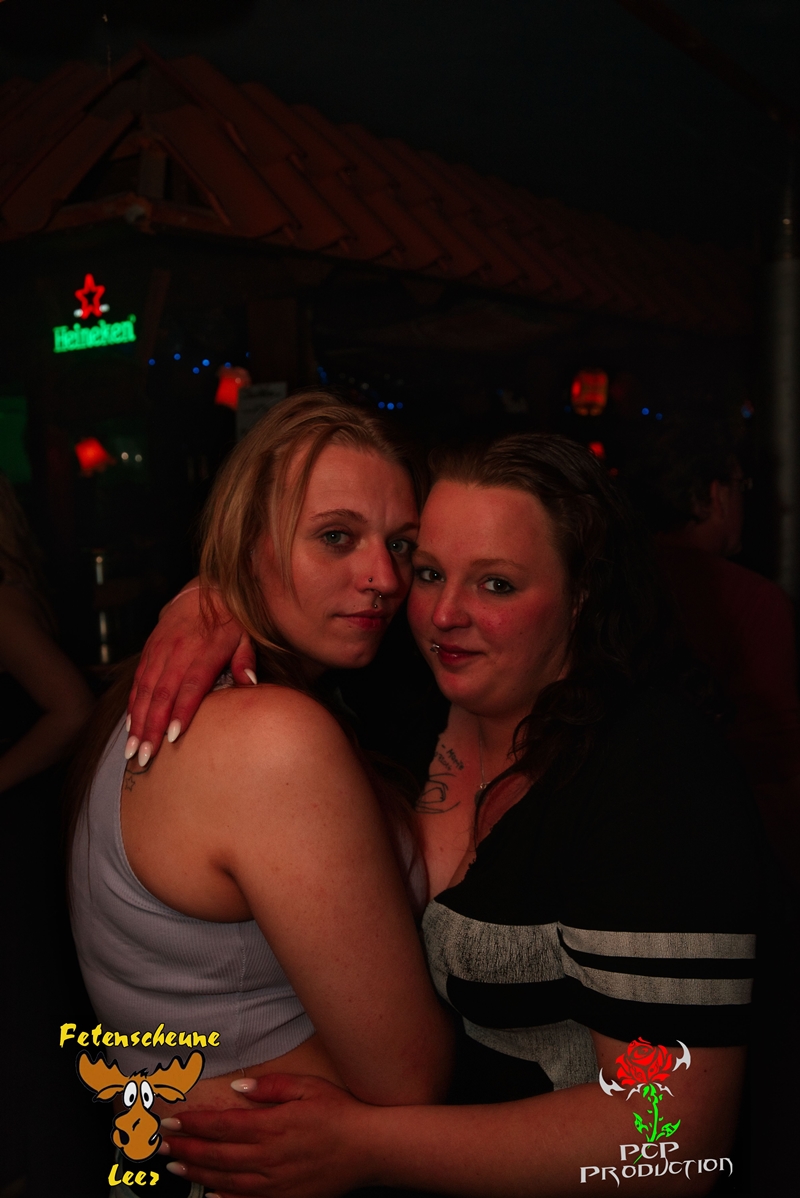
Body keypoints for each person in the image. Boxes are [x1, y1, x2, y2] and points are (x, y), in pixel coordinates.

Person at [128, 432, 759, 1197]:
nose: (444, 614)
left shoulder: (652, 768)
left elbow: (675, 1137)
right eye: (428, 573)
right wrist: (210, 599)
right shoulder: (397, 697)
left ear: (583, 592)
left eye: (497, 584)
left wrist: (365, 1145)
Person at [66, 395, 452, 1196]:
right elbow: (410, 1080)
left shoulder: (205, 697)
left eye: (400, 544)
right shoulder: (269, 738)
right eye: (336, 536)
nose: (383, 578)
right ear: (247, 543)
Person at [0, 474, 96, 1197]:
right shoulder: (19, 589)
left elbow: (71, 708)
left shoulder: (0, 600)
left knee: (29, 1005)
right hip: (30, 827)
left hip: (16, 836)